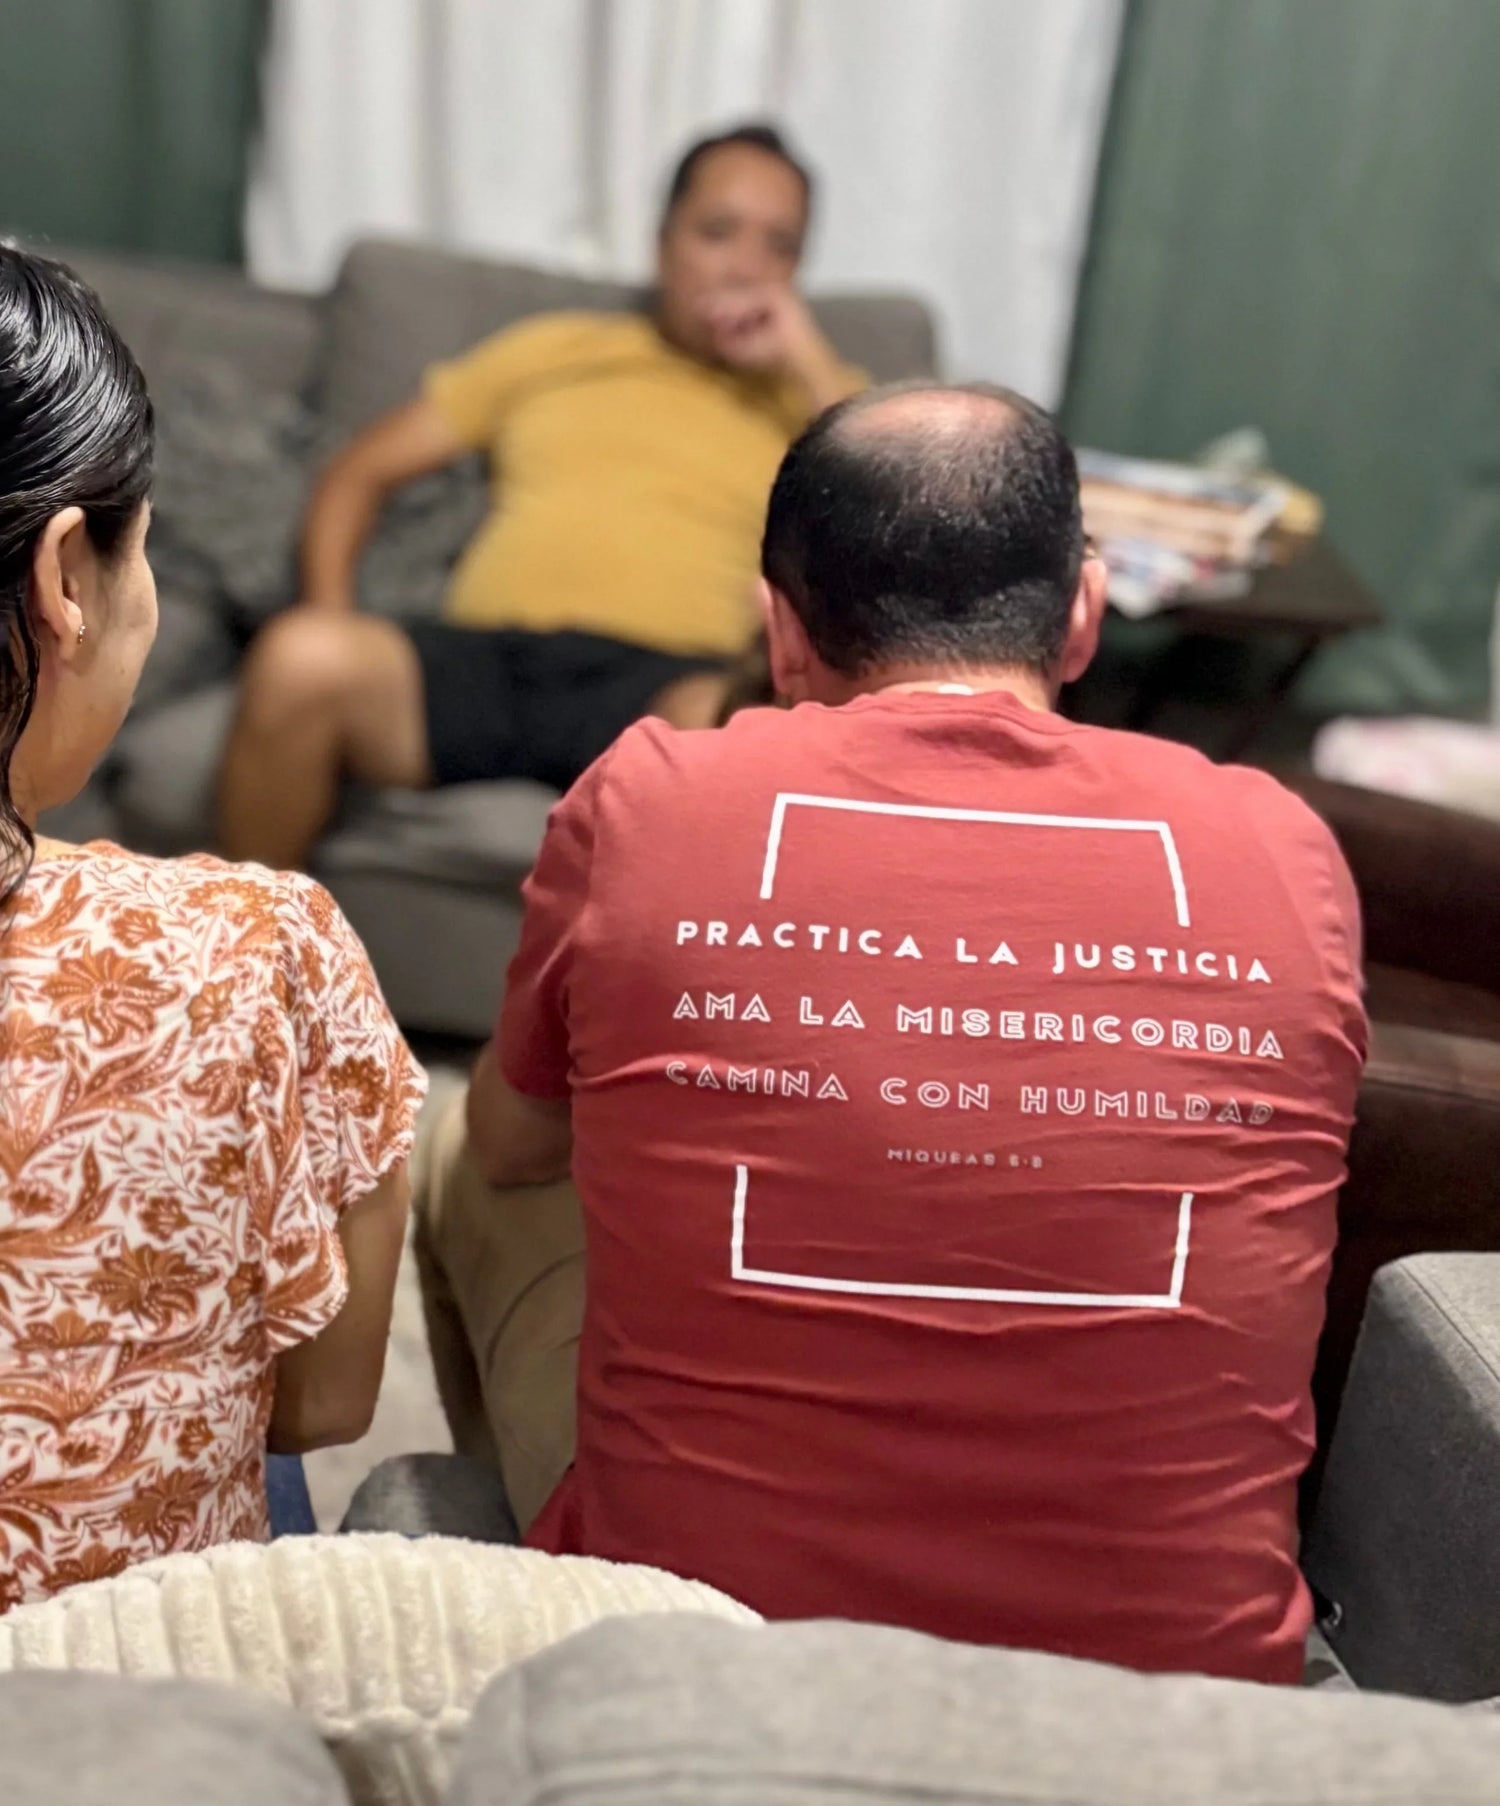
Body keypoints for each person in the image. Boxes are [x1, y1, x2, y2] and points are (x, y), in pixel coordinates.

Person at [399, 382, 1367, 1684]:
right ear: (1081, 616)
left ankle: (514, 1611)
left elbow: (518, 1144)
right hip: (1178, 1706)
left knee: (458, 1137)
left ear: (781, 632)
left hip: (707, 1657)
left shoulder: (649, 796)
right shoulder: (1283, 847)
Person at [0, 245, 425, 1613]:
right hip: (122, 1705)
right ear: (69, 574)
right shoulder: (260, 949)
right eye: (148, 543)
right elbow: (325, 1395)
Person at [218, 123, 862, 871]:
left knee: (744, 742)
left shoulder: (821, 405)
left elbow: (889, 515)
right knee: (300, 659)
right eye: (718, 232)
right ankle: (244, 973)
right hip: (490, 661)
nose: (747, 266)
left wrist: (803, 357)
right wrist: (329, 605)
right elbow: (359, 470)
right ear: (663, 242)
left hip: (666, 683)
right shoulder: (557, 348)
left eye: (778, 247)